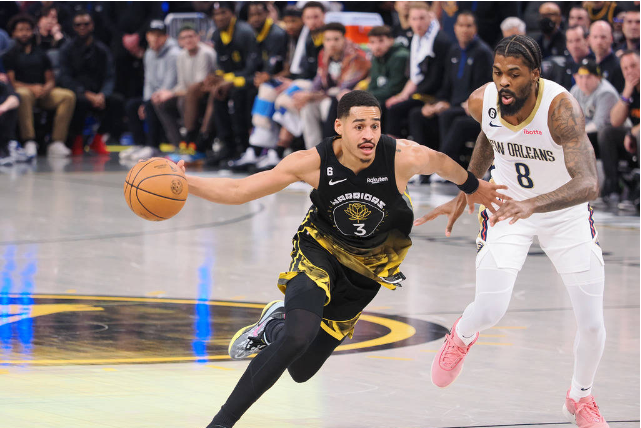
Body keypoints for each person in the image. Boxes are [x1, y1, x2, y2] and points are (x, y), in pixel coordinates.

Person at [175, 90, 506, 428]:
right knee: (298, 336)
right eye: (359, 126)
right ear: (339, 126)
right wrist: (186, 182)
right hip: (319, 251)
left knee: (301, 370)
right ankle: (221, 422)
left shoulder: (402, 157)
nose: (368, 134)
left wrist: (472, 185)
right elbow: (239, 191)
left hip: (367, 272)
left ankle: (273, 325)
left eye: (375, 125)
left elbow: (441, 161)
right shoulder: (313, 163)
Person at [420, 35, 610, 427]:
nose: (503, 81)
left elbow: (589, 183)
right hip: (506, 205)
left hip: (564, 213)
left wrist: (533, 204)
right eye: (497, 73)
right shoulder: (482, 100)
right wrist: (469, 188)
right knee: (490, 309)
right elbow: (489, 136)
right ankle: (462, 335)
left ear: (535, 75)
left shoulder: (561, 109)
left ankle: (581, 397)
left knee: (592, 322)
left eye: (514, 74)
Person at [409, 11, 493, 166]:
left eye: (468, 26)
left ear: (475, 29)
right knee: (418, 114)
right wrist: (436, 103)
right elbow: (446, 86)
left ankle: (446, 166)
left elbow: (485, 87)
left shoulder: (483, 53)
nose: (464, 29)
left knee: (448, 116)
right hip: (452, 105)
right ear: (455, 28)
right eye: (461, 25)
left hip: (470, 108)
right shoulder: (453, 52)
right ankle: (422, 164)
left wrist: (461, 104)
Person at [3, 13, 76, 158]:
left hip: (43, 92)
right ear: (14, 33)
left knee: (67, 96)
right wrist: (33, 88)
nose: (24, 33)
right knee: (23, 94)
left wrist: (46, 88)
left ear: (33, 31)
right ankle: (29, 140)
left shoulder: (41, 53)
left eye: (27, 29)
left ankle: (57, 141)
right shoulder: (9, 55)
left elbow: (50, 78)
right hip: (23, 91)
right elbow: (12, 82)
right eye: (20, 30)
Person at [59, 9, 125, 156]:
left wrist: (103, 94)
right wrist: (85, 93)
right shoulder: (66, 50)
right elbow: (65, 78)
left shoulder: (102, 50)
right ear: (73, 27)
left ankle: (98, 138)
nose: (82, 27)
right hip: (78, 91)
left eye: (86, 24)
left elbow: (110, 76)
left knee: (117, 101)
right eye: (78, 24)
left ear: (92, 25)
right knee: (78, 101)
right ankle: (76, 140)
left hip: (98, 92)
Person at [298, 22, 371, 149]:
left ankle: (334, 149)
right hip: (329, 94)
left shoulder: (356, 57)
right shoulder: (324, 54)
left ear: (344, 39)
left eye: (336, 39)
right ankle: (314, 151)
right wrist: (309, 94)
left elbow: (344, 88)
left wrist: (312, 95)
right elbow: (319, 80)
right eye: (328, 40)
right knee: (307, 107)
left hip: (350, 98)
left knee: (327, 105)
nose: (332, 43)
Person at [385, 2, 452, 138]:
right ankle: (393, 148)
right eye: (414, 19)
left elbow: (436, 79)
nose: (418, 23)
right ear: (409, 20)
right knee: (390, 105)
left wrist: (411, 95)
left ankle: (396, 148)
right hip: (422, 91)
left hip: (435, 94)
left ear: (429, 18)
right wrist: (402, 95)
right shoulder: (416, 39)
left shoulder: (439, 41)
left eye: (422, 18)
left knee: (398, 111)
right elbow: (414, 77)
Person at [154, 24, 217, 163]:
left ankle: (192, 142)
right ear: (179, 41)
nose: (188, 40)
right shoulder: (181, 56)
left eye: (191, 36)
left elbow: (199, 84)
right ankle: (179, 144)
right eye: (184, 38)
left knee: (184, 100)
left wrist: (172, 93)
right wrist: (167, 93)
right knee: (161, 103)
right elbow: (182, 84)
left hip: (204, 94)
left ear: (198, 37)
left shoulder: (205, 53)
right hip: (188, 93)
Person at [121, 20, 180, 161]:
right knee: (132, 105)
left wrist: (150, 100)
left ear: (166, 37)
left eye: (159, 35)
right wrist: (145, 101)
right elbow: (148, 81)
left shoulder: (174, 54)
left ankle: (153, 146)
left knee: (151, 104)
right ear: (147, 36)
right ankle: (139, 143)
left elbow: (171, 81)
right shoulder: (148, 54)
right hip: (155, 94)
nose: (155, 38)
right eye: (152, 35)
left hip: (171, 94)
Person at [597, 50, 640, 209]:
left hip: (637, 136)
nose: (630, 71)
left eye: (633, 66)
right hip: (634, 141)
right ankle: (612, 188)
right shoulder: (630, 89)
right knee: (607, 133)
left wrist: (632, 132)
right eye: (625, 68)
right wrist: (626, 92)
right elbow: (615, 121)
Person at [570, 58, 619, 153]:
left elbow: (599, 125)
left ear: (598, 77)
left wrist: (575, 133)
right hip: (585, 131)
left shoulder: (606, 93)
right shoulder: (575, 90)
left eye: (588, 77)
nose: (584, 81)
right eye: (581, 77)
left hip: (608, 135)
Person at [365, 25, 409, 112]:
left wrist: (365, 96)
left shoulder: (400, 57)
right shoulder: (376, 57)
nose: (377, 46)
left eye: (381, 41)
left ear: (391, 40)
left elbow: (394, 89)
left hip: (398, 97)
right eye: (372, 42)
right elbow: (373, 84)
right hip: (382, 96)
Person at [589, 20, 625, 92]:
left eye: (603, 37)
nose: (599, 42)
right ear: (589, 39)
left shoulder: (619, 66)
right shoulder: (587, 62)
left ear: (611, 39)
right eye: (595, 37)